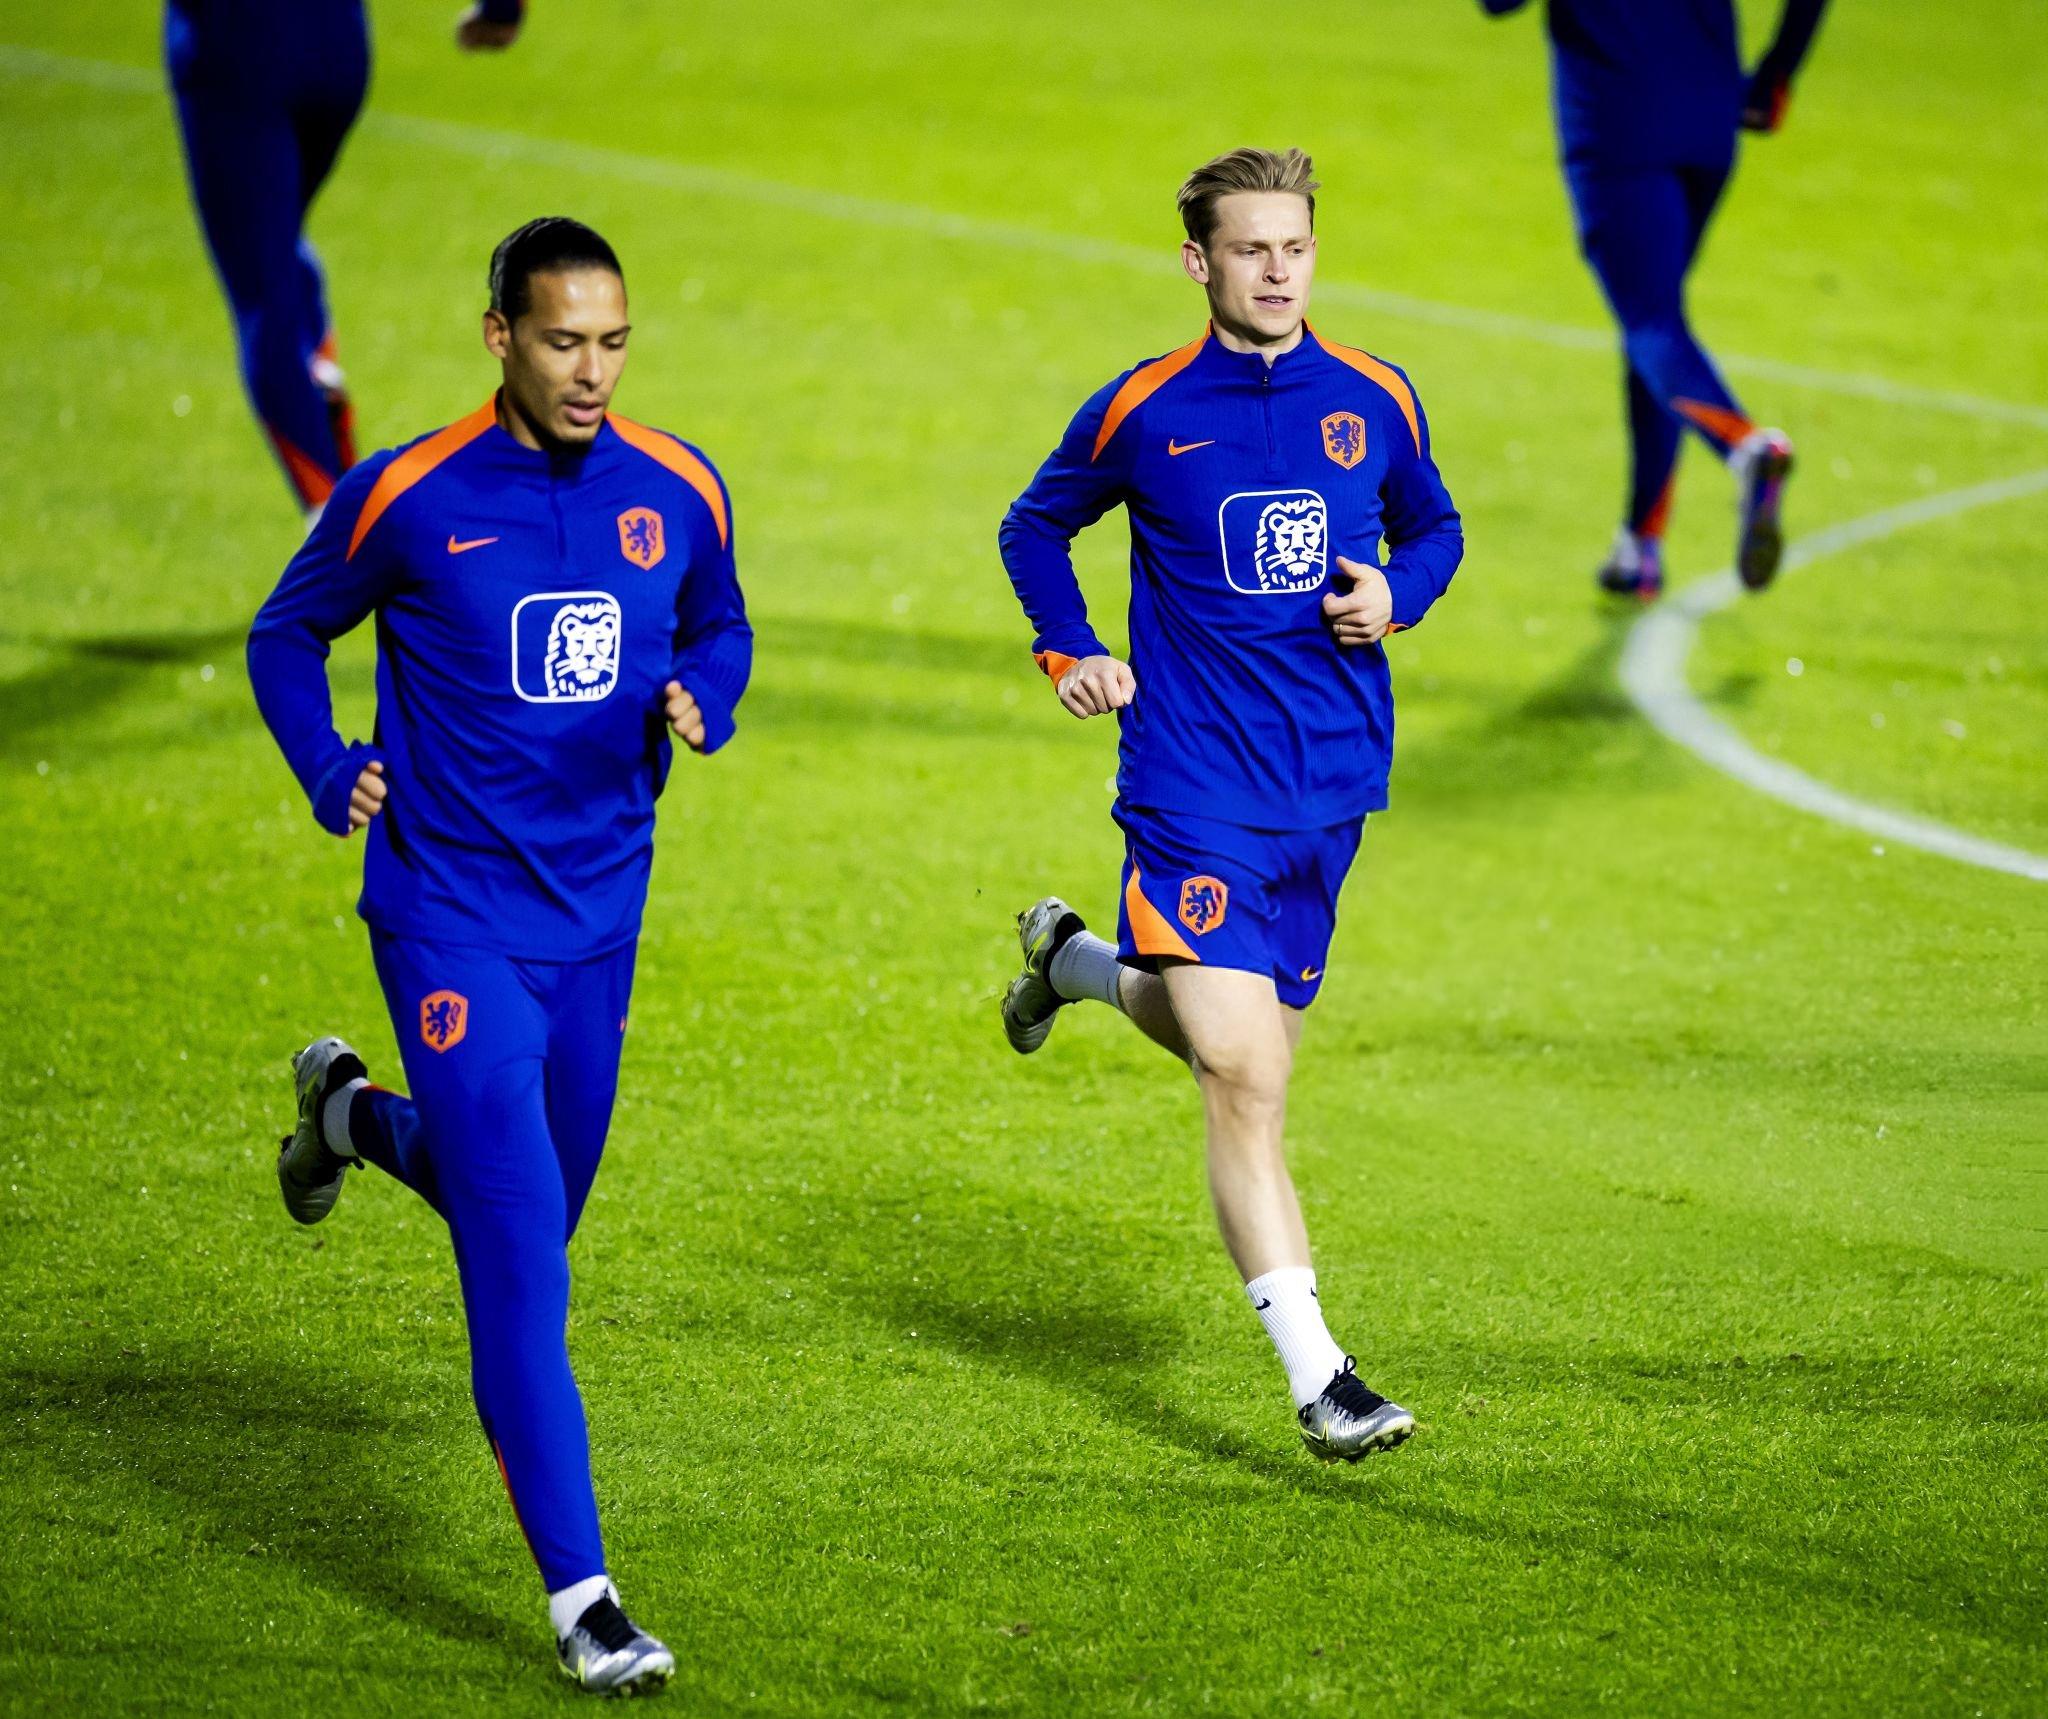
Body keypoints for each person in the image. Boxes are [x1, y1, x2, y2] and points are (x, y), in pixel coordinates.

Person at [248, 217, 751, 1693]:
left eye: (613, 342)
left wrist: (703, 698)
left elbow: (721, 628)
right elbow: (288, 634)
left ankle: (345, 1113)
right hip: (447, 912)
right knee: (522, 1250)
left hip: (598, 919)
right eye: (561, 341)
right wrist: (327, 761)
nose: (591, 371)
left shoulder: (681, 486)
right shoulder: (407, 493)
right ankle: (586, 1594)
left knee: (527, 1204)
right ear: (499, 337)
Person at [996, 148, 1463, 1462]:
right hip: (1190, 782)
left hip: (1327, 785)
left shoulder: (1374, 396)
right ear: (1199, 261)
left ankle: (1080, 963)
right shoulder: (1145, 409)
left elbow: (1436, 528)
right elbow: (1034, 527)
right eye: (1249, 249)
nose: (1276, 270)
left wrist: (1395, 593)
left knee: (1231, 1027)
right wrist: (1070, 648)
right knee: (1246, 1069)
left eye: (1295, 247)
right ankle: (1323, 1376)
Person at [1480, 0, 1830, 600]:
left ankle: (1746, 449)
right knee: (1655, 320)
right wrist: (1778, 70)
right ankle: (1641, 545)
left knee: (1650, 322)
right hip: (1709, 119)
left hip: (1619, 123)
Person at [166, 0, 528, 513]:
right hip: (337, 48)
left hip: (237, 47)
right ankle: (318, 378)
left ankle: (340, 547)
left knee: (262, 288)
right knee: (280, 251)